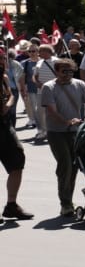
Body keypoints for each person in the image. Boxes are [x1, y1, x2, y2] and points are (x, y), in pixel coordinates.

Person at [39, 58, 85, 217]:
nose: (68, 74)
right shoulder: (49, 87)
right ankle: (65, 204)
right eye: (64, 71)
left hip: (76, 132)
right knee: (65, 165)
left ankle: (69, 200)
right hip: (57, 132)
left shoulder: (80, 84)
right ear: (56, 71)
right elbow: (51, 111)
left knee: (76, 166)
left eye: (70, 71)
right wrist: (67, 122)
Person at [0, 49, 33, 220]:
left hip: (4, 125)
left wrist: (8, 104)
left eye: (2, 59)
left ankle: (11, 205)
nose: (1, 62)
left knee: (18, 160)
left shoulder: (4, 77)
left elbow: (11, 94)